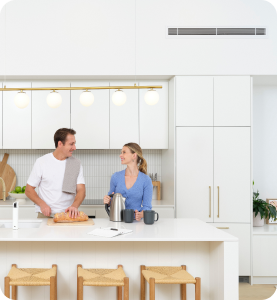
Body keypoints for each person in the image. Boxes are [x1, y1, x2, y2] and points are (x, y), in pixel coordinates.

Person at [25, 128, 86, 218]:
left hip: (67, 216)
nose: (74, 148)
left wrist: (74, 206)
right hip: (45, 216)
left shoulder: (76, 163)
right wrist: (42, 204)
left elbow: (81, 190)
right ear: (60, 144)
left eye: (74, 144)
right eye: (71, 144)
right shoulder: (42, 162)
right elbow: (29, 189)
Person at [103, 142, 152, 221]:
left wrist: (141, 214)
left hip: (136, 224)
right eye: (121, 152)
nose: (120, 155)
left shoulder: (146, 180)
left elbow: (147, 207)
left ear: (134, 155)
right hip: (117, 221)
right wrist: (107, 201)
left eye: (124, 152)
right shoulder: (115, 177)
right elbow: (111, 200)